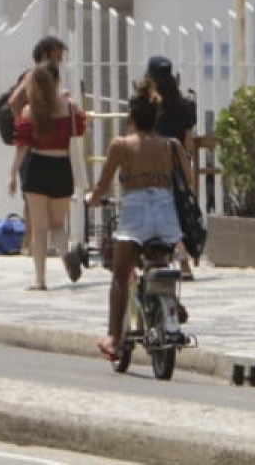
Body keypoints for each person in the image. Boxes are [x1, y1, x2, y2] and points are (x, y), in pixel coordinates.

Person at [86, 78, 192, 363]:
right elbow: (189, 184)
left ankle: (114, 337)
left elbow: (103, 185)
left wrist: (93, 199)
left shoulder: (121, 145)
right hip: (166, 214)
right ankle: (174, 306)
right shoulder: (171, 146)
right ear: (157, 117)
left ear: (131, 117)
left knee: (120, 276)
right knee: (159, 261)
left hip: (135, 215)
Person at [9, 61, 87, 290]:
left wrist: (12, 174)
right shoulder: (69, 106)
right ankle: (66, 253)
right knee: (57, 225)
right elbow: (80, 129)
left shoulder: (30, 111)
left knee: (39, 227)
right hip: (61, 166)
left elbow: (22, 145)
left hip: (38, 167)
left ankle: (40, 280)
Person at [146, 54, 199, 276]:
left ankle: (162, 257)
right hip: (177, 164)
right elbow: (188, 141)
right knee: (176, 210)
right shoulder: (185, 105)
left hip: (152, 163)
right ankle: (183, 260)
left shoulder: (148, 105)